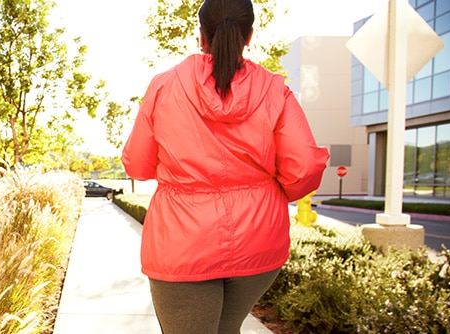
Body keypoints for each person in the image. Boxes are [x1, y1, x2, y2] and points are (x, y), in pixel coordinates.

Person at [121, 0, 329, 333]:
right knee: (227, 328)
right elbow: (304, 167)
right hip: (259, 238)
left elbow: (137, 165)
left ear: (201, 36)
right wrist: (267, 194)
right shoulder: (276, 90)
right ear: (249, 36)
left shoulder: (164, 86)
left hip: (182, 243)